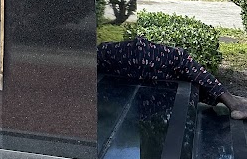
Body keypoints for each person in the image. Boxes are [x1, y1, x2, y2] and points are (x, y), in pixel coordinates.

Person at [98, 36, 247, 119]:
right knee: (177, 61)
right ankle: (232, 101)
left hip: (108, 61)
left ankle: (230, 100)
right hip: (106, 60)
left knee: (177, 69)